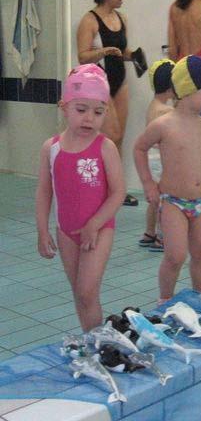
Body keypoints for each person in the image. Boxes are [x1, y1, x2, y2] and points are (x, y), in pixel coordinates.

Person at [35, 64, 125, 331]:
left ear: (105, 112)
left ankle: (98, 343)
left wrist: (95, 224)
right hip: (66, 232)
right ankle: (92, 338)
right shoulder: (51, 148)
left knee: (87, 290)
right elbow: (44, 190)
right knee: (79, 292)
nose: (89, 119)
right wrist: (42, 230)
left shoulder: (105, 148)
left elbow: (118, 192)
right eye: (81, 110)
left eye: (98, 112)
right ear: (64, 107)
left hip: (99, 229)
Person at [133, 55, 201, 303]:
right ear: (187, 89)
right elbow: (139, 148)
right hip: (173, 201)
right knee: (175, 255)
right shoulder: (164, 124)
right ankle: (165, 300)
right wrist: (148, 184)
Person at [77, 0, 144, 206]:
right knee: (108, 136)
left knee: (119, 138)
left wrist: (133, 56)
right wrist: (102, 52)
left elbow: (120, 52)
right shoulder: (90, 20)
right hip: (98, 85)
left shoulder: (122, 18)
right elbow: (83, 56)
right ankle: (99, 187)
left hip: (120, 82)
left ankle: (116, 189)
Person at [138, 59, 176, 252]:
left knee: (155, 201)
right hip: (160, 161)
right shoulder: (167, 110)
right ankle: (161, 238)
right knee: (164, 201)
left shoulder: (153, 105)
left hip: (152, 159)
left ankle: (149, 232)